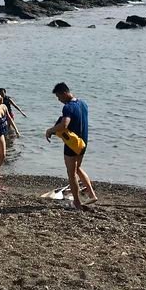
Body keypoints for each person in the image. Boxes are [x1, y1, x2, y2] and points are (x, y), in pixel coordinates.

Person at [45, 82, 97, 210]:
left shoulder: (68, 107)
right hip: (83, 142)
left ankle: (77, 203)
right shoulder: (83, 103)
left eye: (59, 97)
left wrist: (50, 130)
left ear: (64, 93)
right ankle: (92, 194)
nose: (59, 100)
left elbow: (64, 125)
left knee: (71, 173)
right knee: (78, 168)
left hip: (72, 144)